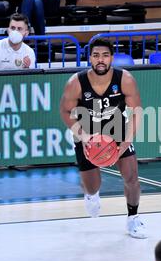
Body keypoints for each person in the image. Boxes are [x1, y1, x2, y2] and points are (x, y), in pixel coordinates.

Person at [59, 38, 147, 239]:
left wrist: (125, 143)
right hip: (87, 132)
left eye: (105, 55)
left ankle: (133, 218)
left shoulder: (125, 79)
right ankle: (91, 195)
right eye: (96, 55)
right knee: (93, 185)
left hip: (115, 130)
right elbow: (65, 111)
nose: (101, 60)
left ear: (111, 58)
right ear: (89, 58)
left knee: (131, 177)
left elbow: (136, 112)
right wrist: (84, 136)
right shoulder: (76, 82)